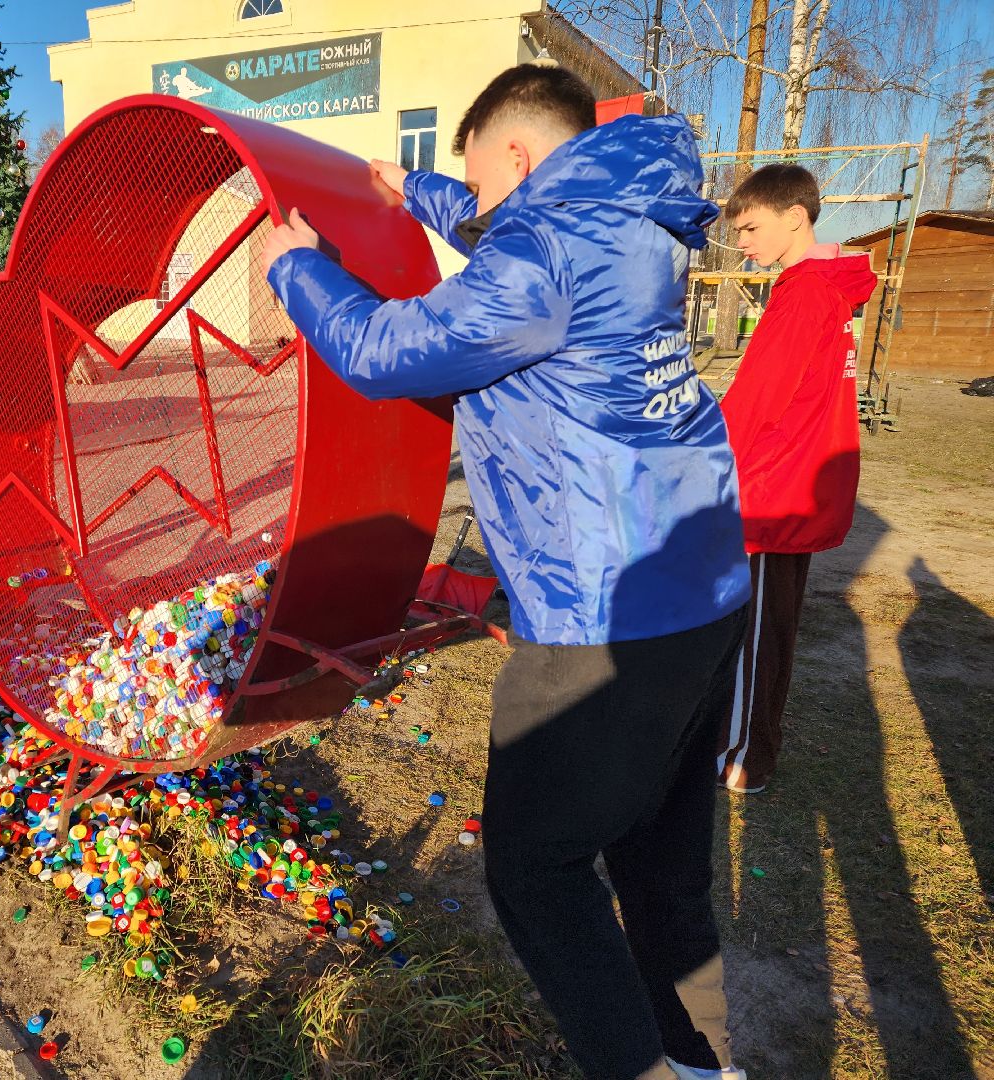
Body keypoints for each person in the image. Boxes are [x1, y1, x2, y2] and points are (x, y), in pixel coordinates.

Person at [261, 65, 752, 1080]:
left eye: (474, 180)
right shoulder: (624, 213)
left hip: (603, 613)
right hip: (703, 588)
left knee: (536, 866)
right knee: (661, 864)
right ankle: (701, 1063)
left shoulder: (544, 246)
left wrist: (296, 269)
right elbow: (507, 234)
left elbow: (386, 350)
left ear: (519, 157)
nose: (475, 203)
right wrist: (421, 192)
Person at [715, 165, 877, 794]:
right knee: (772, 628)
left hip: (769, 492)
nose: (744, 243)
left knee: (756, 636)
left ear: (795, 217)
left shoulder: (804, 292)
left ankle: (745, 758)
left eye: (752, 228)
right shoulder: (827, 290)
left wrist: (702, 465)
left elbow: (757, 401)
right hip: (794, 485)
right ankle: (751, 748)